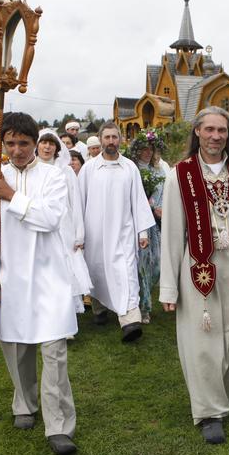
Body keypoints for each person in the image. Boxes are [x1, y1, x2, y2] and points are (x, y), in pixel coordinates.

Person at [0, 112, 78, 455]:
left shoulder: (54, 176)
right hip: (8, 276)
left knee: (54, 353)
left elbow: (48, 219)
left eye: (24, 143)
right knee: (17, 349)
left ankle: (59, 425)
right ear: (2, 143)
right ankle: (24, 401)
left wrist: (11, 195)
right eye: (11, 143)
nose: (17, 150)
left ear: (36, 144)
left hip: (49, 277)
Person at [159, 106, 229, 444]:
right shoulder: (181, 174)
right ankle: (209, 412)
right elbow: (173, 232)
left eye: (221, 130)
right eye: (209, 130)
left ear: (228, 135)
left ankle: (223, 396)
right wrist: (168, 288)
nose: (215, 136)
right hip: (197, 270)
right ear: (197, 132)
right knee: (204, 347)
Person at [78, 121, 155, 342]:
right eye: (107, 137)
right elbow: (80, 202)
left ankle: (130, 320)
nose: (111, 141)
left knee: (126, 272)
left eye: (114, 137)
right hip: (96, 234)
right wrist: (79, 234)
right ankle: (100, 308)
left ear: (120, 139)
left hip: (123, 232)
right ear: (100, 139)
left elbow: (138, 201)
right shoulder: (89, 169)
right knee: (98, 270)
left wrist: (142, 233)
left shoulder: (129, 167)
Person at [37, 129, 93, 318]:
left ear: (57, 147)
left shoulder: (65, 170)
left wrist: (79, 234)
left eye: (51, 143)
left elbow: (75, 203)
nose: (47, 146)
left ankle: (67, 314)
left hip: (64, 226)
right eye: (43, 142)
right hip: (42, 224)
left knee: (66, 268)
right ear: (37, 145)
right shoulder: (33, 168)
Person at [128, 130, 166, 324]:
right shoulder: (131, 169)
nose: (147, 152)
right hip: (139, 223)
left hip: (156, 225)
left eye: (150, 149)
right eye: (143, 149)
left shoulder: (159, 170)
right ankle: (144, 307)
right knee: (141, 264)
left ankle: (146, 294)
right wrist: (149, 208)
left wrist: (161, 208)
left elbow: (163, 190)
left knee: (157, 263)